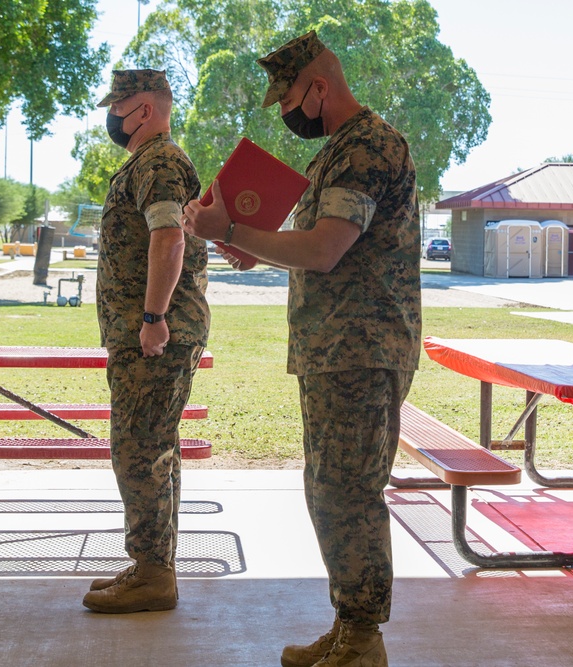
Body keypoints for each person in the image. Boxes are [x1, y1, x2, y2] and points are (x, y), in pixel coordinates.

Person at [182, 31, 421, 667]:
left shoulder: (367, 146)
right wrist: (246, 243)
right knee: (327, 489)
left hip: (361, 348)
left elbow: (323, 249)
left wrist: (229, 228)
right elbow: (312, 241)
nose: (285, 112)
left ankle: (364, 639)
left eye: (287, 96)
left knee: (348, 492)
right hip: (334, 348)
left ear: (317, 87)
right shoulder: (338, 151)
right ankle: (349, 626)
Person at [81, 69, 210, 614]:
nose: (112, 114)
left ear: (144, 110)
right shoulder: (147, 162)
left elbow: (168, 237)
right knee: (154, 446)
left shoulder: (158, 162)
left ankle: (155, 573)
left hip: (155, 334)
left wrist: (154, 315)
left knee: (138, 447)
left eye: (119, 105)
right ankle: (153, 564)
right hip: (146, 332)